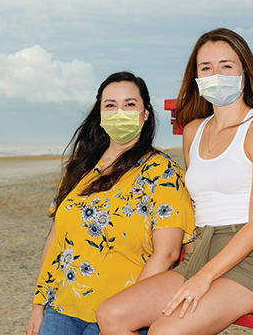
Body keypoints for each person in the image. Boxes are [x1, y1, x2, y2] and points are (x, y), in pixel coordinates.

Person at [97, 28, 253, 334]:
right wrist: (194, 269)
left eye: (226, 66)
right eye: (206, 68)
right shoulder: (194, 131)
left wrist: (204, 278)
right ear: (196, 76)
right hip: (200, 252)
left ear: (244, 73)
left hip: (251, 263)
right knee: (111, 314)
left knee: (164, 331)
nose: (216, 74)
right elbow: (198, 203)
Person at [26, 72, 195, 335]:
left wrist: (127, 310)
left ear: (145, 113)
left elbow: (168, 254)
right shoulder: (81, 168)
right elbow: (56, 237)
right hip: (60, 309)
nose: (120, 112)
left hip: (116, 315)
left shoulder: (162, 173)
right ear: (101, 115)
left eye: (130, 105)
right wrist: (38, 305)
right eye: (110, 105)